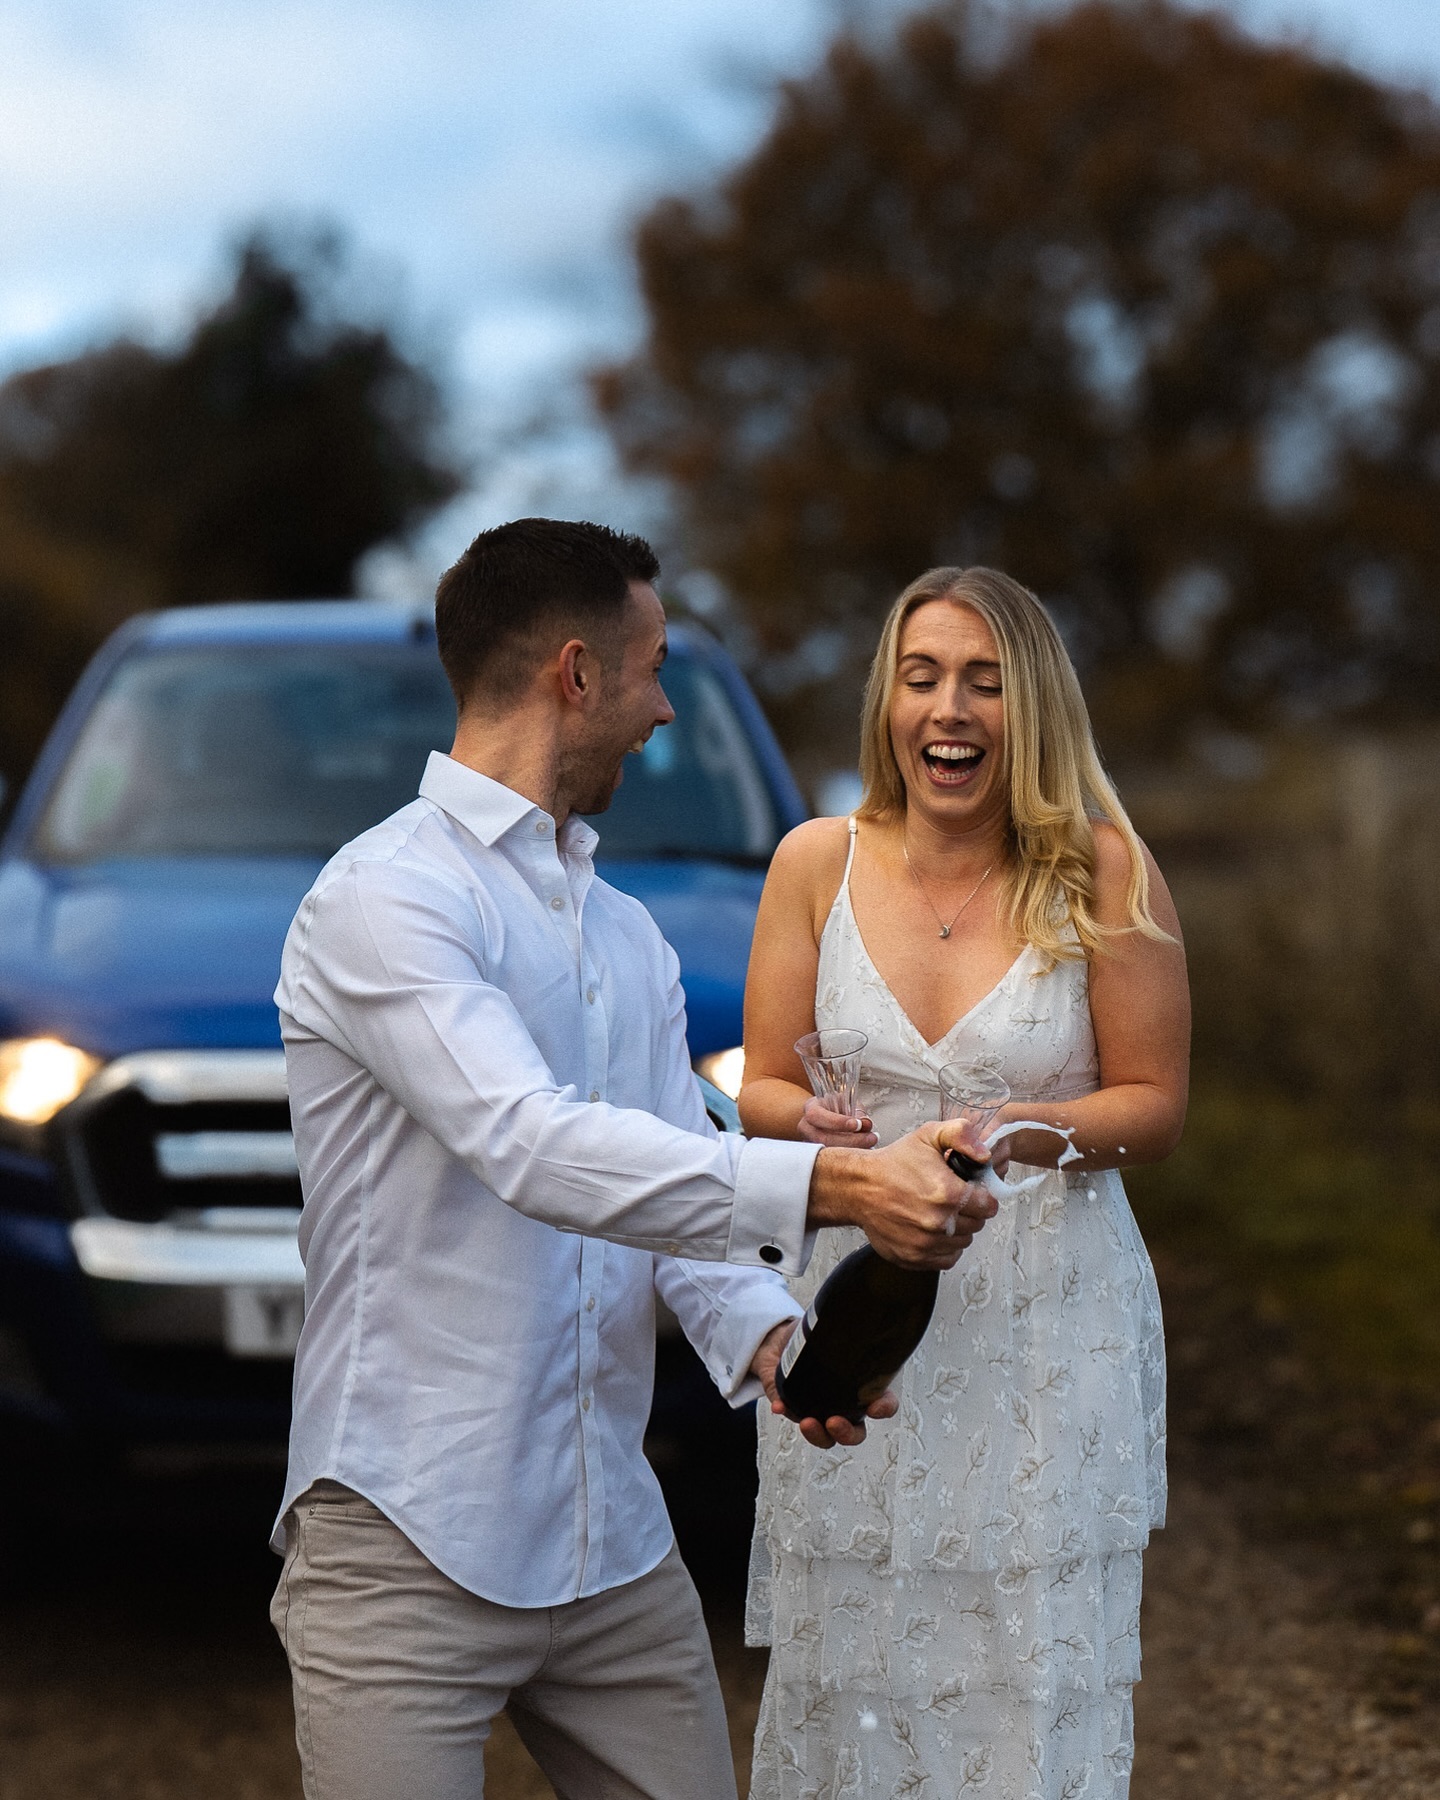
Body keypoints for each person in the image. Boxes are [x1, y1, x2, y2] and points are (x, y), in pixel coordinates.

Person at [267, 518, 997, 1800]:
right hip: (403, 1530)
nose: (665, 707)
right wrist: (842, 1185)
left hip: (609, 1534)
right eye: (652, 667)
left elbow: (668, 1178)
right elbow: (532, 1145)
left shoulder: (627, 936)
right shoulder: (384, 899)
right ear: (576, 674)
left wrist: (776, 1339)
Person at [740, 566, 1189, 1800]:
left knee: (1024, 1674)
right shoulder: (813, 865)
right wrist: (815, 1129)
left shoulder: (1103, 869)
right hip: (867, 1302)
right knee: (860, 1660)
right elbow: (760, 1090)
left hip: (1050, 1321)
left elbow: (1152, 1105)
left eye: (986, 683)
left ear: (1030, 707)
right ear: (888, 701)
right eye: (923, 677)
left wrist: (1025, 1130)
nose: (951, 709)